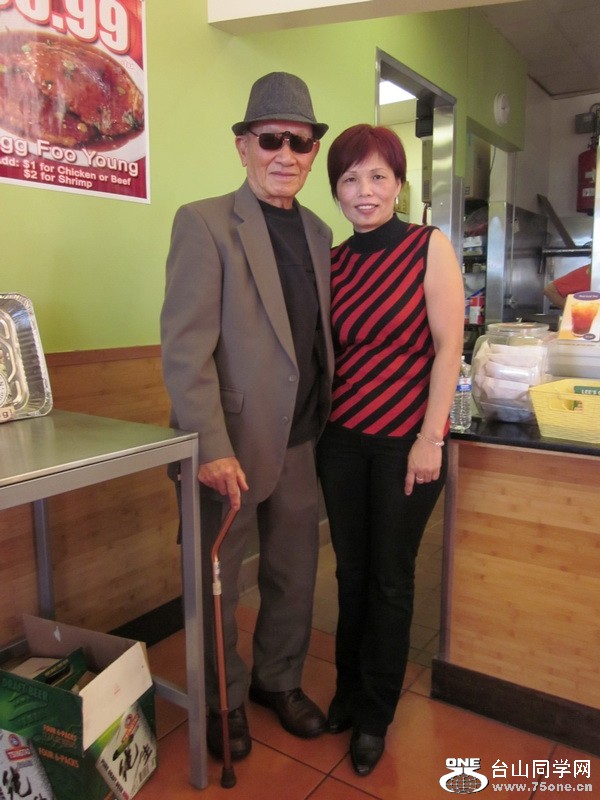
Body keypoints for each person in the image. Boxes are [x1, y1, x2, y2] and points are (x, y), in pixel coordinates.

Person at [160, 72, 334, 762]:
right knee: (216, 581)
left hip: (302, 437)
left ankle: (277, 680)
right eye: (271, 140)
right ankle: (220, 696)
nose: (285, 154)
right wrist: (208, 444)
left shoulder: (320, 232)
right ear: (243, 146)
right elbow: (186, 349)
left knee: (293, 573)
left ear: (313, 152)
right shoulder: (204, 223)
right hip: (227, 445)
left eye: (300, 142)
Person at [316, 124, 465, 776]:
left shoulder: (429, 247)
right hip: (342, 444)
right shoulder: (334, 262)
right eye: (350, 179)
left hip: (409, 445)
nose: (364, 190)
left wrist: (431, 438)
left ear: (399, 184)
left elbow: (449, 347)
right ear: (337, 192)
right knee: (350, 575)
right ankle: (347, 691)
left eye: (378, 176)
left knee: (390, 580)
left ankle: (375, 714)